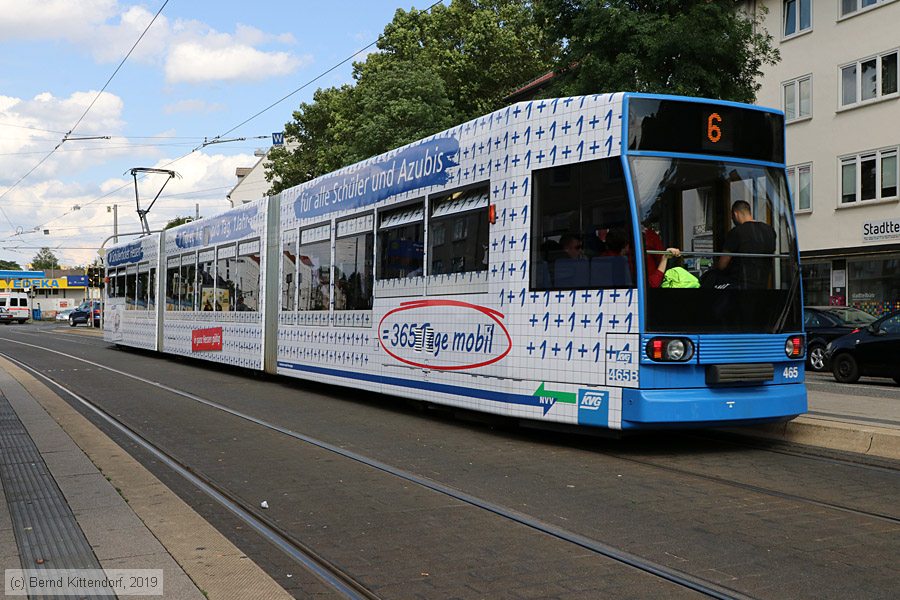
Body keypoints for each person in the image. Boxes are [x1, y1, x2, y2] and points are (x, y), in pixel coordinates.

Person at [716, 200, 776, 288]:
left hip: (739, 286)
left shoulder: (736, 232)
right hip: (763, 286)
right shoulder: (770, 231)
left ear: (736, 214)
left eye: (732, 217)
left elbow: (722, 264)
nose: (732, 219)